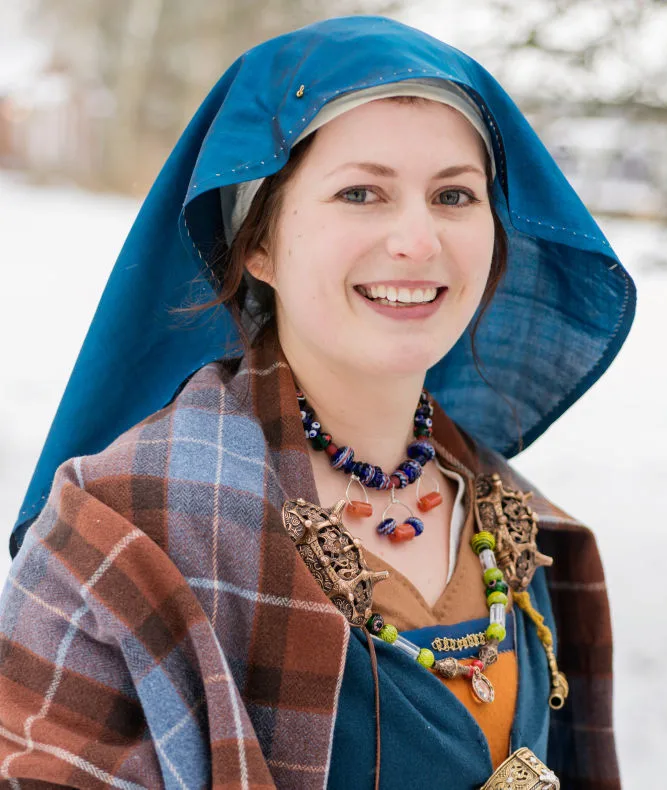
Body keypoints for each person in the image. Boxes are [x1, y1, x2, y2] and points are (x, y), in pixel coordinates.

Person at [0, 15, 633, 790]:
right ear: (256, 245)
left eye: (454, 195)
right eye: (360, 192)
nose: (417, 238)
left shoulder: (523, 531)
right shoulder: (122, 536)